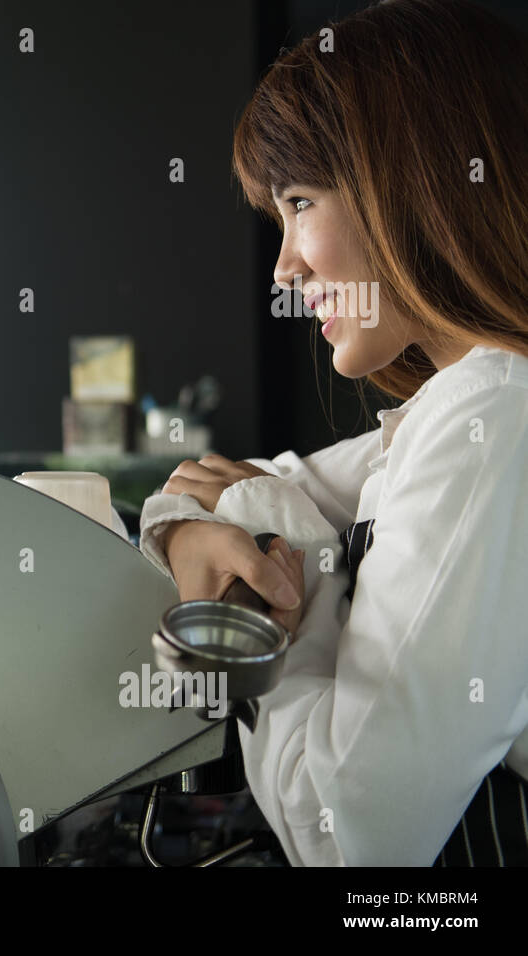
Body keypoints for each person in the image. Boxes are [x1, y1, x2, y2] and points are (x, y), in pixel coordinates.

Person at [137, 0, 528, 866]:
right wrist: (185, 531)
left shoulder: (493, 413)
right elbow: (219, 481)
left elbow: (348, 842)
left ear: (413, 180)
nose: (283, 265)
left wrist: (298, 568)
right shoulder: (447, 415)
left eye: (300, 201)